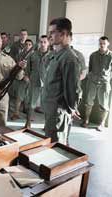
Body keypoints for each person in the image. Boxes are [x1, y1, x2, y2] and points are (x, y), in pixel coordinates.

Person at [42, 17, 81, 145]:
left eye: (52, 32)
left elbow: (72, 89)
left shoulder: (69, 58)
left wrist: (72, 108)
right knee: (50, 143)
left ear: (63, 34)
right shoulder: (56, 55)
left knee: (56, 146)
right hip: (51, 110)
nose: (49, 36)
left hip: (58, 112)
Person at [81, 36, 112, 131]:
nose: (102, 45)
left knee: (104, 105)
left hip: (104, 83)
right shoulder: (93, 55)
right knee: (89, 102)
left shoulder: (111, 56)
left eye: (104, 43)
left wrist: (106, 78)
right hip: (92, 82)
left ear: (108, 44)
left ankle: (101, 123)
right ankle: (86, 120)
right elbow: (90, 69)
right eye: (100, 43)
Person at [25, 35, 51, 128]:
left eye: (45, 42)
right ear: (39, 43)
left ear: (48, 43)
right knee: (31, 103)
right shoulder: (33, 54)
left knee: (47, 105)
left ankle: (46, 126)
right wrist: (28, 77)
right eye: (41, 42)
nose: (43, 44)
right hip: (34, 81)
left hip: (47, 84)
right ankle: (28, 123)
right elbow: (28, 68)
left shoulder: (52, 55)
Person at [10, 39, 34, 120]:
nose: (28, 46)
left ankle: (27, 112)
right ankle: (16, 113)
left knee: (29, 97)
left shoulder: (34, 55)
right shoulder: (20, 55)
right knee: (19, 96)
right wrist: (23, 76)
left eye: (30, 44)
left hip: (31, 79)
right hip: (22, 78)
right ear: (24, 45)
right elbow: (16, 66)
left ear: (32, 46)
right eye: (26, 44)